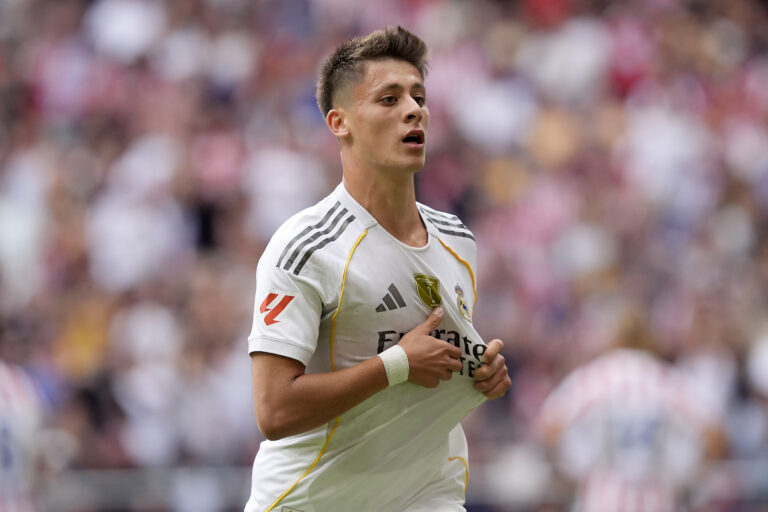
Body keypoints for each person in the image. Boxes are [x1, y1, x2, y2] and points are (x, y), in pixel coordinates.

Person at [244, 26, 511, 512]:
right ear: (339, 122)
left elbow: (442, 355)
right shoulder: (306, 247)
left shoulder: (457, 240)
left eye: (419, 97)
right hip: (311, 500)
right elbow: (274, 409)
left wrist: (483, 372)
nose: (414, 110)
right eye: (388, 99)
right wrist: (397, 365)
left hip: (426, 493)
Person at [536, 311, 723, 512]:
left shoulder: (597, 376)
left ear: (615, 338)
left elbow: (548, 427)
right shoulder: (665, 378)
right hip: (657, 502)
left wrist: (573, 470)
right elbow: (715, 436)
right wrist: (685, 476)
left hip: (601, 502)